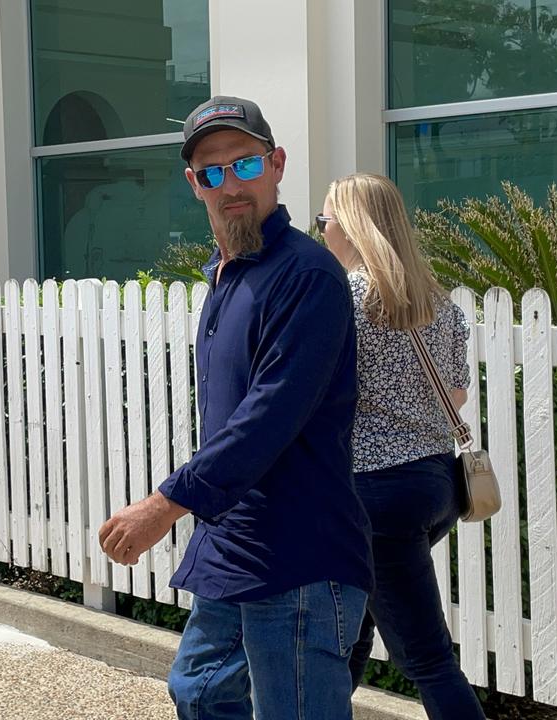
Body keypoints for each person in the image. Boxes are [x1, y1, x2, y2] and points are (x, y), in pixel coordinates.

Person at [98, 96, 373, 720]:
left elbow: (271, 414)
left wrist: (165, 504)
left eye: (244, 165)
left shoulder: (306, 275)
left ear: (276, 165)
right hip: (237, 543)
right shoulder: (228, 275)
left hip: (300, 553)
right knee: (198, 690)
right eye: (212, 173)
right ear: (195, 185)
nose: (231, 186)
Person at [319, 173, 484, 719]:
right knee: (352, 632)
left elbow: (317, 389)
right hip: (436, 484)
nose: (321, 230)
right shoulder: (439, 300)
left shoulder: (344, 296)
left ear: (351, 225)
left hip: (373, 494)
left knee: (428, 659)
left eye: (326, 219)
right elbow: (455, 393)